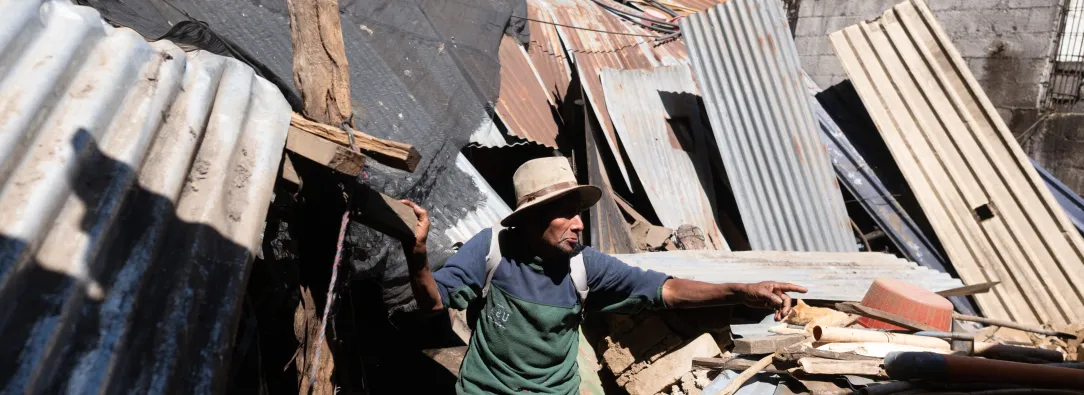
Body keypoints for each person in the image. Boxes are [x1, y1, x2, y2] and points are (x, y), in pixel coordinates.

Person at [399, 157, 807, 394]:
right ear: (529, 219)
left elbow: (665, 290)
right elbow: (435, 303)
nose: (579, 224)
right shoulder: (492, 250)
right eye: (565, 212)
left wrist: (742, 290)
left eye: (580, 212)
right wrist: (417, 256)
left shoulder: (585, 265)